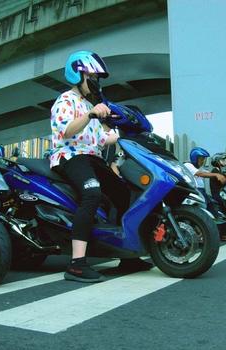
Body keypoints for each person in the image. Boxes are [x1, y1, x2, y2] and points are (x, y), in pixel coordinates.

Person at [49, 51, 151, 283]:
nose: (96, 83)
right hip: (70, 156)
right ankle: (76, 264)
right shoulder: (66, 100)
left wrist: (131, 137)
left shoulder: (90, 105)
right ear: (78, 74)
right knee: (92, 193)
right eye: (92, 77)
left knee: (124, 193)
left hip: (93, 158)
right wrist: (90, 114)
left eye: (97, 79)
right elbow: (66, 130)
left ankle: (128, 255)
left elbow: (101, 140)